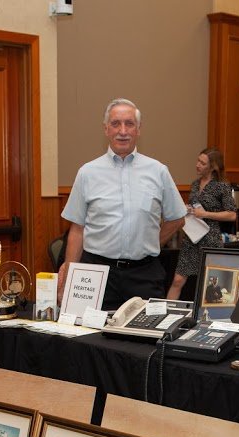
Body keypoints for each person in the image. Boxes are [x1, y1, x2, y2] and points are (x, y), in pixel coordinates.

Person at [58, 99, 187, 311]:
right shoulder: (87, 173)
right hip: (97, 274)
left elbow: (177, 218)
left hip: (144, 275)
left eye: (129, 124)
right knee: (90, 338)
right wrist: (68, 280)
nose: (123, 131)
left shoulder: (158, 171)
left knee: (144, 340)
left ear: (139, 130)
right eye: (116, 124)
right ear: (106, 129)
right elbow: (77, 230)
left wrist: (150, 242)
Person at [166, 148, 237, 300]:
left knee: (210, 285)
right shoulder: (195, 184)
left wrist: (205, 214)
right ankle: (167, 316)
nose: (197, 165)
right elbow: (196, 208)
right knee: (178, 280)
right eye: (198, 161)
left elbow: (232, 214)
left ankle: (208, 319)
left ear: (213, 167)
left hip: (210, 240)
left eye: (202, 163)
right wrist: (187, 209)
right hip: (191, 238)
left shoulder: (222, 186)